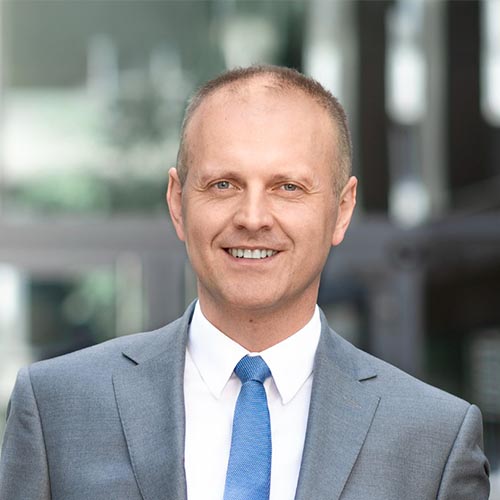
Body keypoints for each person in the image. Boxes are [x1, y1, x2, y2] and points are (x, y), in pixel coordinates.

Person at [0, 65, 490, 500]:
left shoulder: (434, 440)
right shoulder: (56, 409)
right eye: (224, 185)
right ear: (177, 202)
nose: (253, 217)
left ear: (341, 210)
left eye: (288, 187)